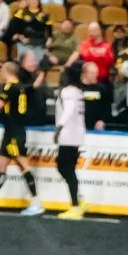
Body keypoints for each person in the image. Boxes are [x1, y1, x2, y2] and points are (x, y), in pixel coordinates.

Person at [0, 59, 41, 213]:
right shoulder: (20, 87)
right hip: (11, 130)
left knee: (23, 164)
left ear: (5, 72)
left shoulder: (10, 87)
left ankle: (36, 201)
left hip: (14, 131)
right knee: (2, 163)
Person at [54, 61, 86, 217]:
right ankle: (78, 200)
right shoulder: (78, 91)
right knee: (68, 169)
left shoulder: (67, 91)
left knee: (64, 168)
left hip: (68, 134)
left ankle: (75, 206)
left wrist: (59, 127)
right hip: (77, 133)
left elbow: (68, 110)